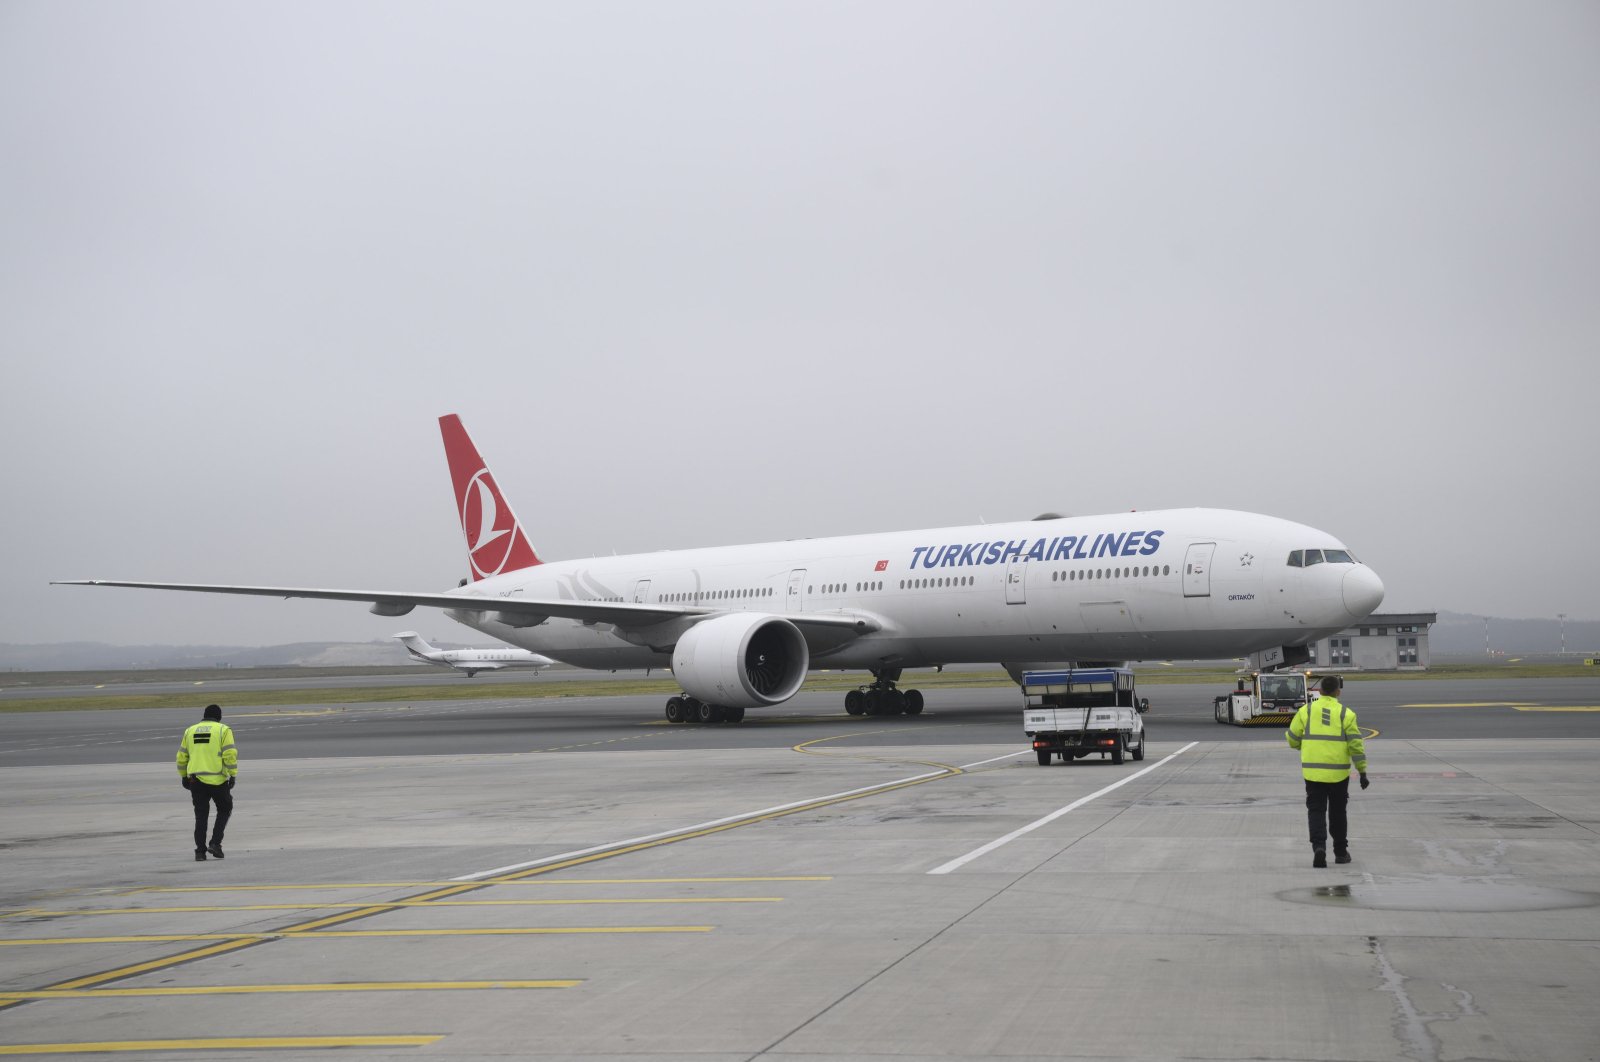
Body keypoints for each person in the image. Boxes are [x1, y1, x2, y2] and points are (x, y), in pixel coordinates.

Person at [1286, 675, 1368, 868]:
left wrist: (1303, 746)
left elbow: (1291, 738)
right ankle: (1340, 852)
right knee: (1338, 812)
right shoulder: (1346, 714)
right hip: (1339, 774)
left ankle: (1318, 847)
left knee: (1316, 810)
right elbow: (1356, 746)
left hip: (1313, 773)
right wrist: (1362, 771)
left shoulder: (1306, 710)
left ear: (1320, 691)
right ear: (1338, 691)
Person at [177, 703, 237, 861]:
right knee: (225, 809)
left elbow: (181, 757)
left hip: (196, 780)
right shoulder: (223, 730)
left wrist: (184, 776)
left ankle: (200, 852)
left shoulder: (190, 730)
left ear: (204, 715)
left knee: (201, 816)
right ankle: (215, 843)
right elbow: (229, 754)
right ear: (219, 717)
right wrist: (233, 775)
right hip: (218, 779)